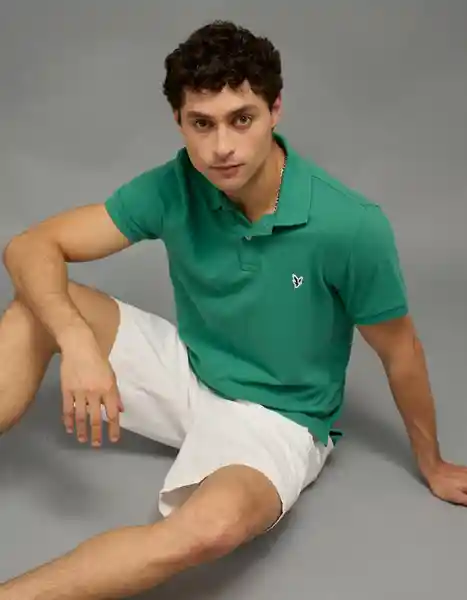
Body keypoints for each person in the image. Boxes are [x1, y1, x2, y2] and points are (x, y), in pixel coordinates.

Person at [1, 18, 466, 600]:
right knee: (39, 306)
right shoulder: (175, 184)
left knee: (208, 530)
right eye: (202, 123)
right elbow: (29, 246)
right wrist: (75, 342)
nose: (222, 146)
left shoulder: (349, 225)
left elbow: (400, 352)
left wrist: (434, 463)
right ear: (179, 122)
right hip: (188, 371)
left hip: (277, 419)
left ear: (275, 111)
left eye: (241, 119)